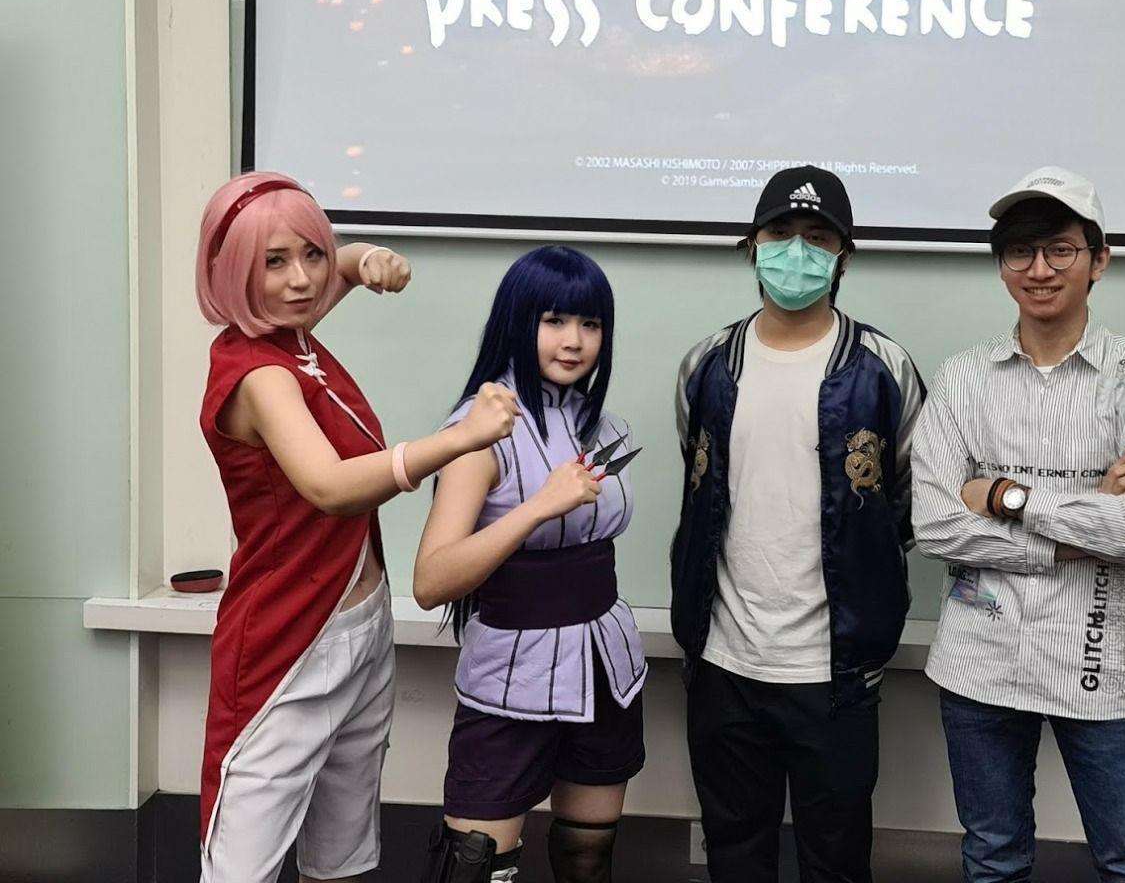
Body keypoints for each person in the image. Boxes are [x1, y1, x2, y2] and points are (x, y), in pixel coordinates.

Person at [195, 171, 520, 883]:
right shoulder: (259, 374)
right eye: (273, 262)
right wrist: (459, 439)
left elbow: (325, 275)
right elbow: (331, 488)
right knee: (242, 864)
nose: (301, 279)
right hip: (290, 635)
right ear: (232, 269)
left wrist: (359, 257)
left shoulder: (291, 338)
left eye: (310, 254)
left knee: (341, 854)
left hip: (360, 627)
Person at [912, 166, 1125, 883]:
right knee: (992, 858)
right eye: (1020, 252)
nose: (1039, 270)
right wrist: (1087, 519)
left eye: (1061, 249)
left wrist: (1006, 497)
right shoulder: (963, 379)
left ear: (1100, 260)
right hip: (981, 661)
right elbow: (934, 526)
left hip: (1106, 661)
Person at [670, 165, 925, 882]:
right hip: (724, 663)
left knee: (836, 862)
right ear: (751, 245)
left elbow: (907, 504)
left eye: (818, 237)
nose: (797, 251)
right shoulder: (706, 365)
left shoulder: (883, 368)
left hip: (835, 671)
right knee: (734, 855)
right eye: (781, 233)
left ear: (845, 254)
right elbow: (700, 490)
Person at [415, 245, 647, 883]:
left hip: (605, 667)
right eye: (555, 320)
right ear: (519, 321)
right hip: (510, 676)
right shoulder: (477, 430)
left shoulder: (603, 424)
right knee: (475, 867)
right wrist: (540, 506)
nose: (574, 341)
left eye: (591, 324)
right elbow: (432, 581)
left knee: (587, 858)